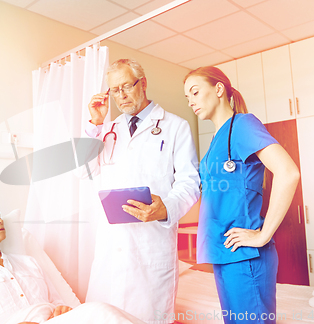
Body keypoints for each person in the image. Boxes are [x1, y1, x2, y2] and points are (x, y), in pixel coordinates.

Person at [84, 58, 201, 324]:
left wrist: (166, 209)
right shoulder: (107, 130)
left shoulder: (175, 126)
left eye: (126, 86)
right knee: (105, 317)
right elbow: (85, 172)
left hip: (151, 244)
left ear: (143, 83)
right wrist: (95, 123)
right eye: (114, 90)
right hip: (112, 245)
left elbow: (190, 182)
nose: (121, 96)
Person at [183, 66, 300, 324]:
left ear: (219, 89)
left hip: (246, 254)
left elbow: (288, 172)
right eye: (186, 97)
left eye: (194, 92)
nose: (190, 101)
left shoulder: (243, 124)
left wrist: (263, 235)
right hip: (224, 252)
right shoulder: (216, 140)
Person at [0, 197, 145, 324]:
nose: (0, 220)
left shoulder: (29, 263)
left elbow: (57, 302)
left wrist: (61, 309)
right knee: (100, 311)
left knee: (101, 313)